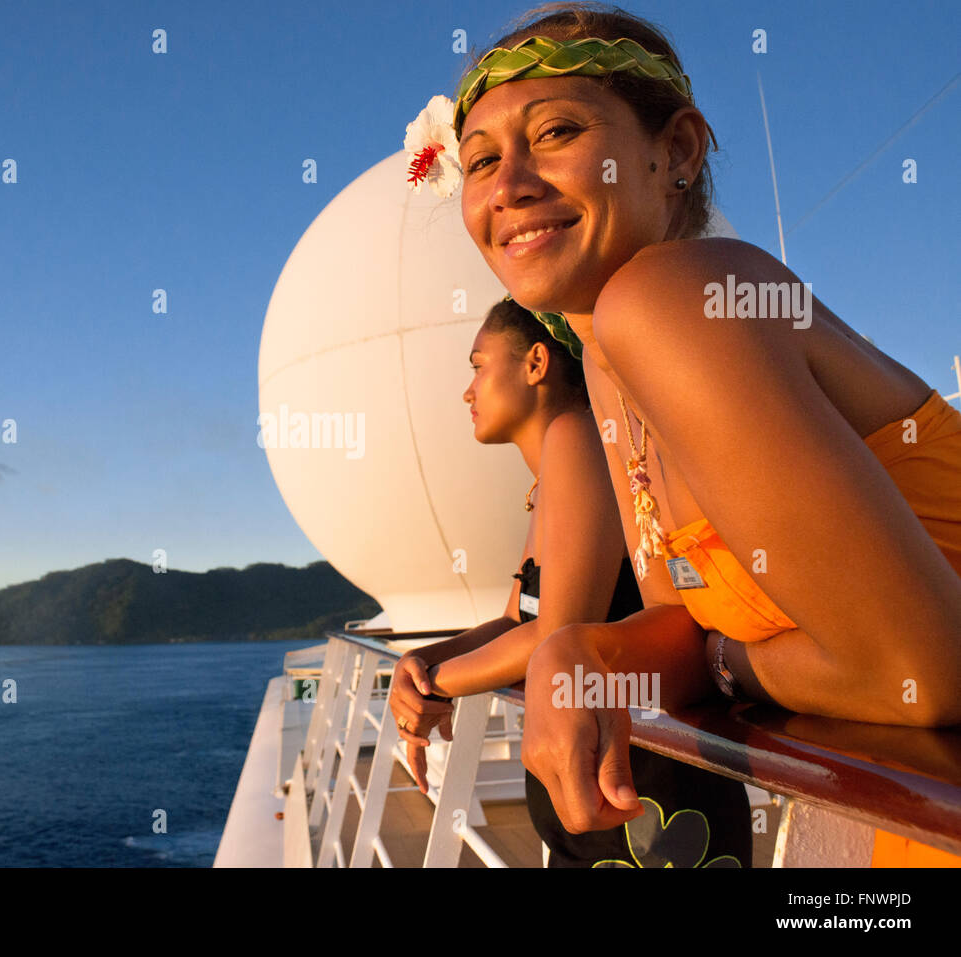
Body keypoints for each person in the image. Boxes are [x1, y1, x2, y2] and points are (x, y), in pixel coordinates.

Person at [412, 1, 961, 862]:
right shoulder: (604, 364)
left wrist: (723, 666)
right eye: (481, 159)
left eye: (555, 131)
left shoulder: (667, 301)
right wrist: (581, 648)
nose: (508, 184)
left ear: (676, 151)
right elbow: (680, 622)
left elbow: (920, 671)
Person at [388, 296, 750, 867]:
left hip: (642, 803)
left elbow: (555, 633)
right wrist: (422, 663)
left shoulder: (577, 436)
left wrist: (434, 685)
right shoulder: (551, 476)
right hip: (598, 798)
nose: (468, 390)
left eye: (478, 365)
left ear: (536, 364)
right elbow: (515, 620)